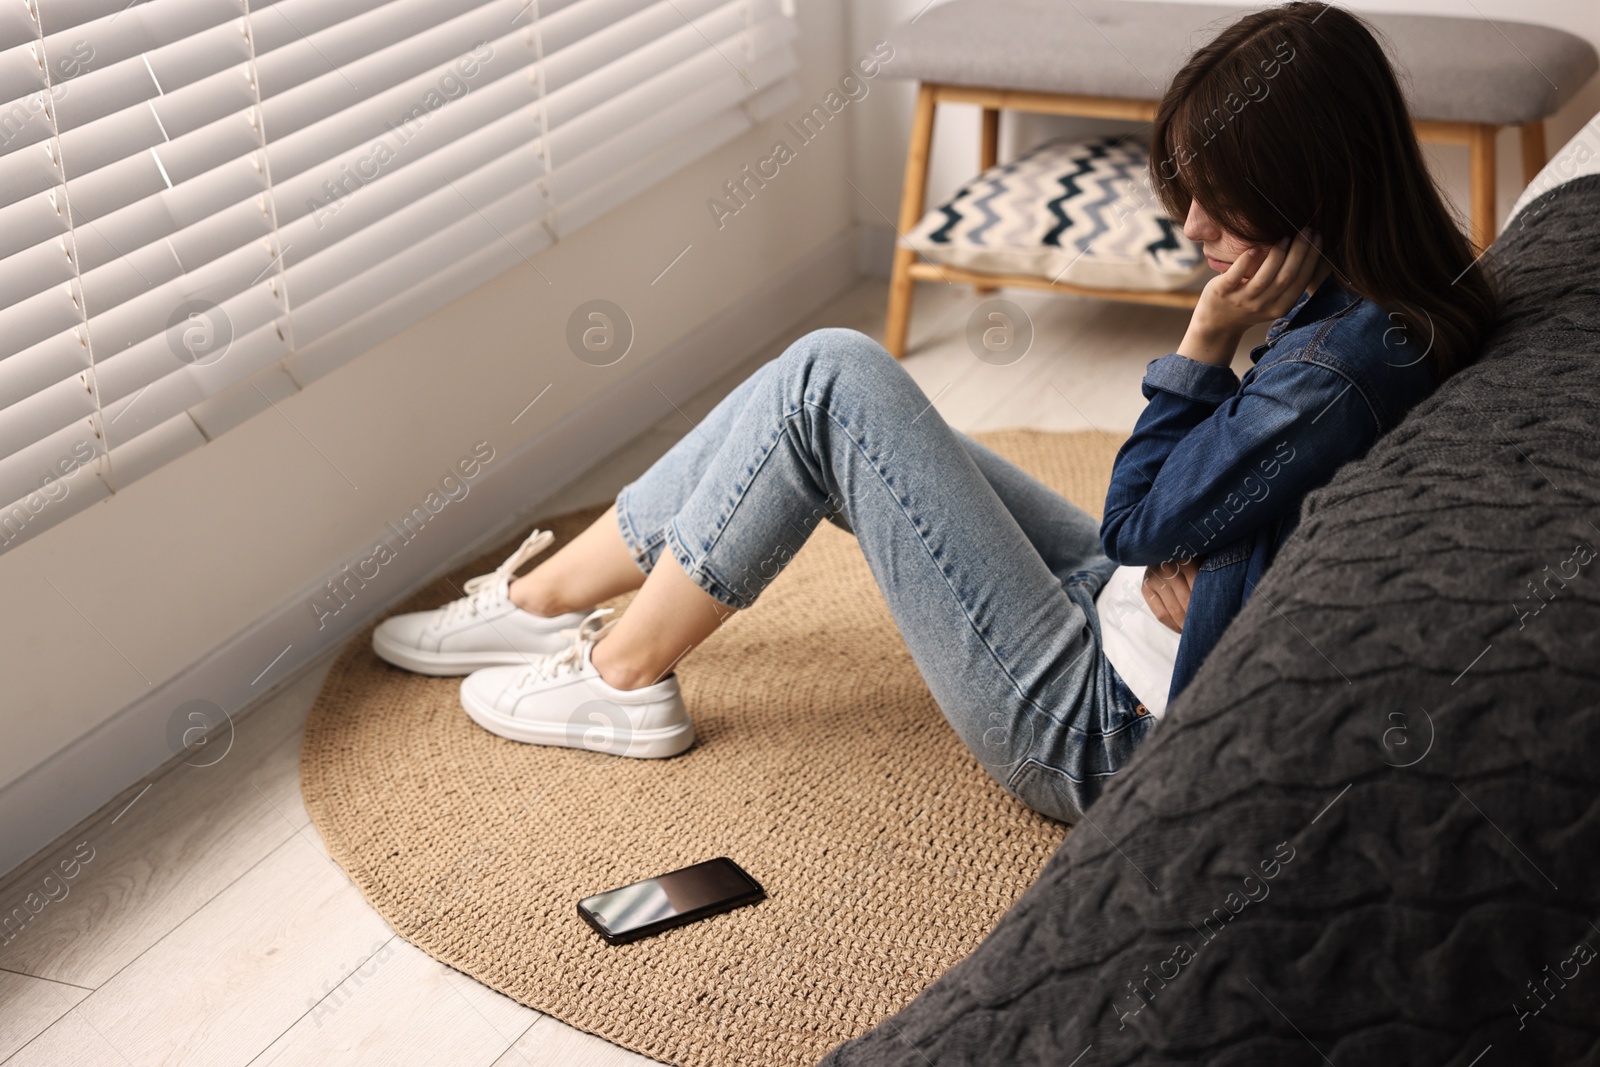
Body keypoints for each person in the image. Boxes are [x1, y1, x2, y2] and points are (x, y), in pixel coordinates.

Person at [371, 2, 1498, 824]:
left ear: (1316, 184)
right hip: (1117, 618)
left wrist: (1202, 344)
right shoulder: (1390, 300)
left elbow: (1136, 522)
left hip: (1093, 722)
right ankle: (541, 599)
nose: (1194, 228)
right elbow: (1167, 538)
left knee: (830, 384)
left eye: (1222, 201)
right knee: (821, 383)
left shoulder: (1336, 370)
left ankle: (620, 676)